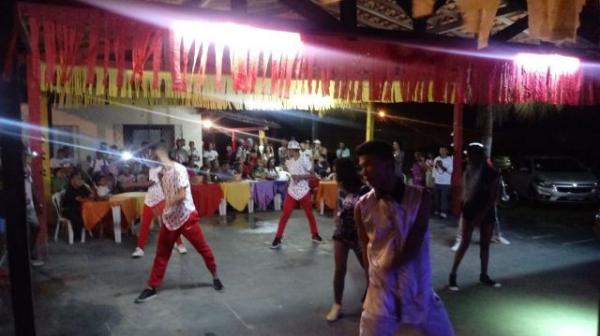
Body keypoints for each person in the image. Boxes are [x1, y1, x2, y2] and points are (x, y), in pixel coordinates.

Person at [354, 140, 454, 336]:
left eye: (369, 165)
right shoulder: (362, 207)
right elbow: (366, 248)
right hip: (380, 297)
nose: (364, 172)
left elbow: (413, 245)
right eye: (361, 167)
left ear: (389, 165)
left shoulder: (420, 198)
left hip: (419, 292)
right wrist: (371, 281)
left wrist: (385, 269)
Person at [135, 144, 224, 303]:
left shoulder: (179, 169)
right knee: (161, 254)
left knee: (203, 249)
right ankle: (151, 287)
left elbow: (181, 194)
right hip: (170, 219)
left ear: (160, 155)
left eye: (151, 155)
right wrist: (164, 208)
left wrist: (166, 204)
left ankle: (215, 276)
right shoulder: (160, 172)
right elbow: (166, 192)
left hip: (186, 216)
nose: (148, 158)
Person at [448, 143, 501, 291]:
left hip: (486, 210)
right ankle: (453, 275)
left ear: (477, 156)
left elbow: (493, 198)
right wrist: (464, 209)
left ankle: (484, 275)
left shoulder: (492, 173)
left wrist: (481, 215)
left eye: (469, 156)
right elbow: (465, 194)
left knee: (485, 245)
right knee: (464, 242)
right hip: (470, 209)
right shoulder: (469, 170)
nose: (467, 158)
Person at [325, 158, 369, 322]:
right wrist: (336, 217)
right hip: (342, 233)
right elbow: (339, 205)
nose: (334, 174)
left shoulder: (364, 189)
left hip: (360, 236)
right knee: (339, 270)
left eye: (336, 170)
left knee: (370, 270)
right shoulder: (341, 187)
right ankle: (337, 305)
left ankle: (369, 299)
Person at [270, 140, 323, 249]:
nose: (287, 151)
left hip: (304, 190)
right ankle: (278, 238)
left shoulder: (304, 159)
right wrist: (291, 179)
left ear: (293, 150)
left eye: (288, 149)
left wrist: (300, 177)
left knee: (309, 214)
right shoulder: (288, 162)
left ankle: (315, 235)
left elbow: (313, 175)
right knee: (285, 215)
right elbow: (291, 174)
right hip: (292, 192)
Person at [132, 159, 186, 258]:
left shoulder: (163, 170)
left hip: (161, 200)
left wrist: (131, 184)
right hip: (150, 200)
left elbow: (150, 183)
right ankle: (140, 248)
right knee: (145, 224)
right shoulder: (151, 169)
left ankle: (179, 244)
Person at [24, 153, 43, 266]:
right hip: (21, 205)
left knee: (35, 227)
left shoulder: (28, 168)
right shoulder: (14, 168)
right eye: (28, 157)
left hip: (29, 204)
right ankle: (28, 256)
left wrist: (36, 201)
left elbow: (31, 185)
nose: (30, 159)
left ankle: (30, 253)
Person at [63, 171, 94, 240]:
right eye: (77, 178)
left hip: (82, 208)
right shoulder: (70, 189)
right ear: (72, 180)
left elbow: (91, 195)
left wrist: (86, 187)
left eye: (80, 178)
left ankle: (91, 231)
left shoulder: (82, 187)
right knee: (78, 215)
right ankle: (76, 235)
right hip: (69, 209)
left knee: (93, 212)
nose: (80, 180)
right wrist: (86, 198)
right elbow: (79, 199)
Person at [432, 146, 453, 219]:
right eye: (440, 150)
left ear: (447, 151)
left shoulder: (450, 159)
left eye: (443, 150)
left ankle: (443, 212)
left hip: (446, 182)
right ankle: (437, 210)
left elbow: (451, 171)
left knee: (444, 198)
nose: (441, 152)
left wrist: (442, 166)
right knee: (436, 197)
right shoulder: (436, 159)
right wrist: (433, 178)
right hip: (437, 181)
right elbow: (434, 170)